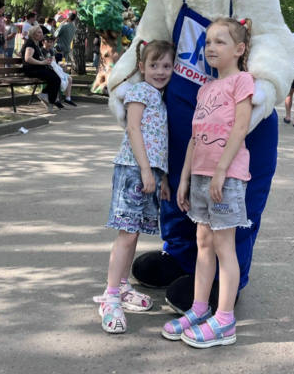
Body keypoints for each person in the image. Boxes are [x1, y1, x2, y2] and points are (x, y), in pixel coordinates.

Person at [165, 18, 253, 348]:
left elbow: (240, 128)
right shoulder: (205, 88)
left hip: (226, 177)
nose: (211, 48)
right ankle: (199, 309)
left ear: (239, 49)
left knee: (223, 246)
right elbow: (194, 137)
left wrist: (221, 171)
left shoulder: (242, 81)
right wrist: (185, 178)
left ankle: (225, 320)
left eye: (220, 41)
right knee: (203, 241)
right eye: (208, 42)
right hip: (201, 176)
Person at [95, 40, 176, 334]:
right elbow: (133, 128)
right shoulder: (140, 91)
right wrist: (144, 170)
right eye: (154, 65)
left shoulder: (160, 98)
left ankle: (122, 286)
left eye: (166, 66)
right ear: (142, 67)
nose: (160, 71)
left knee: (134, 233)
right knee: (127, 236)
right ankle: (110, 298)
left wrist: (161, 177)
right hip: (133, 170)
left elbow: (158, 142)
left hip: (148, 173)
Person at [22, 25, 65, 112]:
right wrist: (42, 62)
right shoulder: (30, 43)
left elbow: (37, 57)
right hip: (31, 70)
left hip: (37, 68)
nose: (41, 34)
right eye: (39, 32)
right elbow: (28, 58)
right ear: (32, 34)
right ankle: (50, 100)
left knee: (57, 77)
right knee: (55, 78)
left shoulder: (36, 43)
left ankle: (46, 95)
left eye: (41, 32)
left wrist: (45, 61)